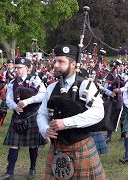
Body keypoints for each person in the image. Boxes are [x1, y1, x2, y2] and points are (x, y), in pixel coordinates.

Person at [37, 45, 106, 179]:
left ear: (73, 64)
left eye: (61, 62)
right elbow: (42, 114)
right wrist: (44, 129)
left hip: (80, 147)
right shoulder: (51, 88)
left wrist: (66, 123)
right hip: (57, 148)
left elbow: (98, 112)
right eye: (55, 61)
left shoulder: (86, 85)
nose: (55, 65)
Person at [0, 57, 46, 180]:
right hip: (18, 115)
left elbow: (43, 94)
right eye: (16, 68)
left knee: (33, 145)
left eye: (20, 68)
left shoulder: (34, 80)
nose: (17, 70)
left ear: (28, 68)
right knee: (13, 144)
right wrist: (15, 107)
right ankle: (9, 172)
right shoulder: (12, 83)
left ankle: (32, 169)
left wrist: (27, 101)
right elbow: (8, 100)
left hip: (32, 115)